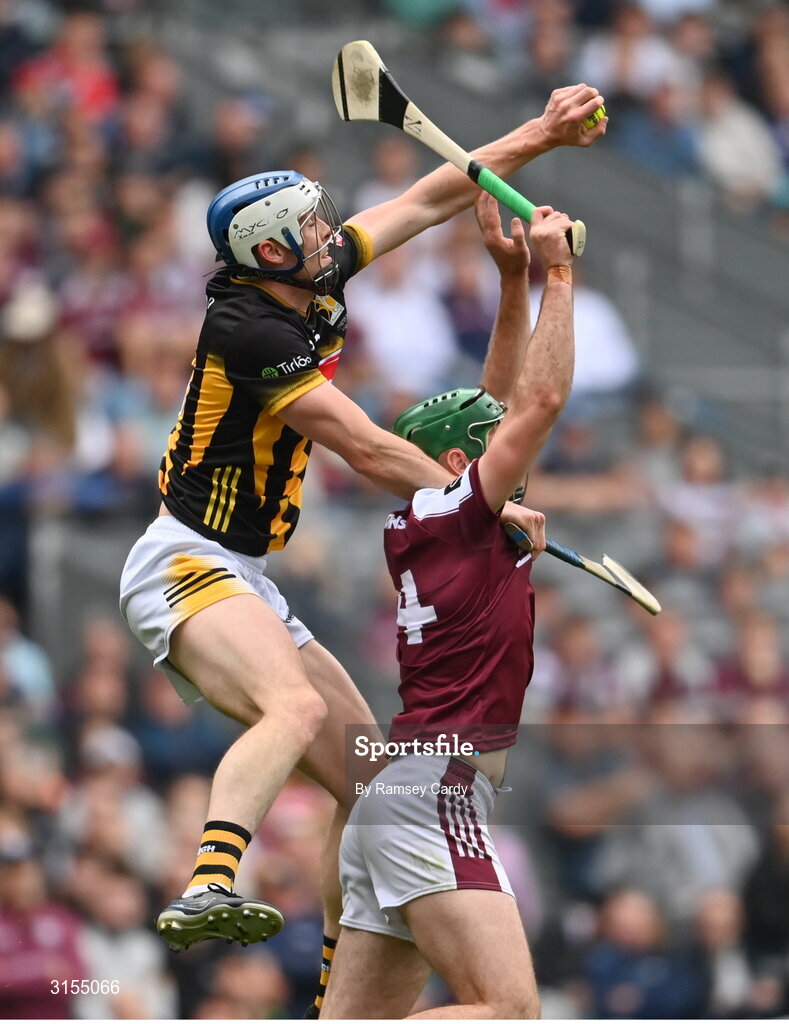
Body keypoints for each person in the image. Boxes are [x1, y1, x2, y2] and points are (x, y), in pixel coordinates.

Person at [118, 83, 605, 981]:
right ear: (266, 250)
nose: (327, 235)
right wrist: (481, 500)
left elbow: (431, 195)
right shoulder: (247, 324)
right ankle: (208, 882)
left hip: (244, 571)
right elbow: (365, 446)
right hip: (182, 561)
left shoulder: (307, 277)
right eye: (306, 230)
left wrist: (540, 133)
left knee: (366, 772)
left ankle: (340, 977)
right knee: (295, 708)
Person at [321, 194, 578, 1019]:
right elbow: (533, 406)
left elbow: (496, 406)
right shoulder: (463, 514)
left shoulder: (432, 518)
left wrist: (509, 283)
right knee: (509, 1012)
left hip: (394, 798)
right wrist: (557, 272)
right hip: (436, 790)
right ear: (467, 465)